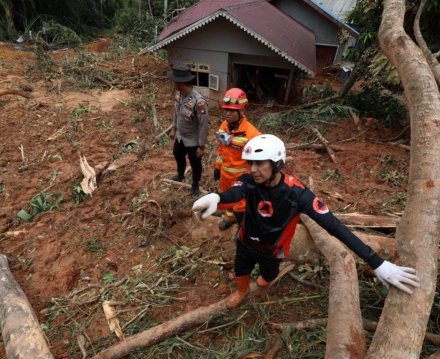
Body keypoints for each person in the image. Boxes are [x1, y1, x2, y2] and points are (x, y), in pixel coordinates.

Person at [192, 134, 420, 309]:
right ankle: (241, 292)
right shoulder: (248, 181)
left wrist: (377, 262)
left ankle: (261, 284)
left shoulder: (297, 193)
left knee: (267, 277)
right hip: (245, 242)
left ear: (277, 163)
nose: (253, 169)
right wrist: (217, 198)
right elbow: (234, 193)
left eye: (260, 163)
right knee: (241, 271)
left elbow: (334, 226)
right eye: (251, 163)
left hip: (273, 251)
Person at [214, 88, 261, 231]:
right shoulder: (224, 126)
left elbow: (258, 160)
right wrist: (217, 167)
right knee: (226, 197)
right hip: (225, 175)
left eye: (232, 111)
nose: (228, 113)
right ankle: (229, 217)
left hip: (241, 177)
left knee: (241, 204)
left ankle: (243, 227)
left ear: (242, 111)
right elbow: (221, 149)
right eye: (226, 110)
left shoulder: (252, 134)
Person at [167, 64, 209, 198]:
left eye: (174, 81)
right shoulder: (178, 94)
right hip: (181, 136)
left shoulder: (199, 102)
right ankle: (180, 175)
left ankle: (195, 185)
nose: (173, 83)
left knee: (195, 164)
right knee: (177, 154)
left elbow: (203, 125)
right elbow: (176, 112)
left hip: (193, 140)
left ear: (180, 83)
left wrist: (201, 146)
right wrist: (174, 128)